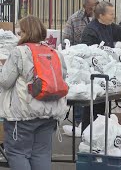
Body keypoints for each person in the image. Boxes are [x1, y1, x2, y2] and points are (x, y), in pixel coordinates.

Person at [0, 15, 68, 170]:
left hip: (23, 114)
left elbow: (5, 81)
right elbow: (62, 77)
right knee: (41, 154)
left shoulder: (19, 52)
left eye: (19, 31)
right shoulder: (55, 53)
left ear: (24, 32)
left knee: (18, 153)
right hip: (49, 111)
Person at [80, 1, 121, 132]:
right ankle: (87, 135)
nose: (113, 16)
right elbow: (87, 55)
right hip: (94, 78)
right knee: (93, 108)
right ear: (101, 15)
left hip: (107, 76)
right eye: (111, 14)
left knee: (103, 110)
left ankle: (101, 136)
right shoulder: (91, 31)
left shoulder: (109, 26)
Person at [62, 0, 98, 127]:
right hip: (78, 59)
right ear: (85, 7)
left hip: (95, 58)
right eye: (91, 7)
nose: (93, 9)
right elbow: (66, 38)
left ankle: (93, 119)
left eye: (95, 6)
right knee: (79, 89)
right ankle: (78, 120)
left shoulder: (99, 17)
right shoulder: (74, 19)